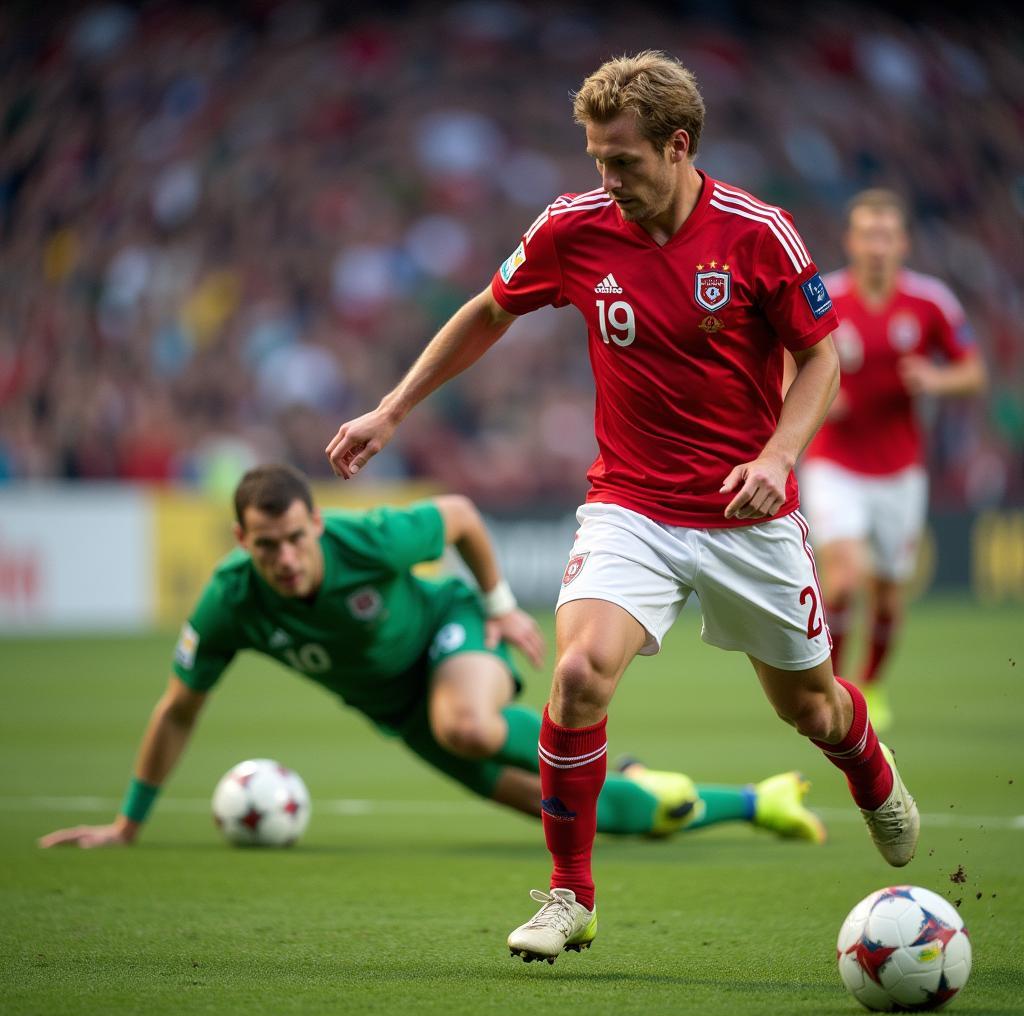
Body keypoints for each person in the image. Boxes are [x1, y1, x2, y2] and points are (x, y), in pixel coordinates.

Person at [325, 51, 919, 966]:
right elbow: (489, 310)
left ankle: (872, 779)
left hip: (747, 516)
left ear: (679, 147)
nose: (607, 180)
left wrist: (777, 453)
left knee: (812, 710)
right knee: (575, 678)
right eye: (596, 159)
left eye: (625, 162)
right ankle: (570, 894)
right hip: (630, 506)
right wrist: (393, 408)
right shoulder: (574, 227)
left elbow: (823, 360)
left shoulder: (760, 234)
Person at [39, 463, 824, 852]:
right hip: (398, 714)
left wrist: (497, 605)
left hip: (450, 638)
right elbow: (179, 706)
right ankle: (758, 803)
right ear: (243, 542)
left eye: (295, 539)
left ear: (317, 525)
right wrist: (127, 823)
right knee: (586, 819)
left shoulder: (364, 539)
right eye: (266, 546)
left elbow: (458, 515)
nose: (284, 559)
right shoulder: (230, 602)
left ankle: (611, 760)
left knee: (470, 727)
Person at [799, 190, 986, 730]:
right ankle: (830, 691)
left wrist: (935, 378)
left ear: (902, 242)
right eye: (867, 235)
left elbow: (972, 372)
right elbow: (786, 360)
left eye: (887, 235)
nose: (877, 246)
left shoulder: (930, 302)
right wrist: (821, 395)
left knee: (886, 597)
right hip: (835, 463)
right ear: (850, 241)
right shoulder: (824, 295)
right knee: (842, 580)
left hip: (901, 469)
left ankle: (872, 686)